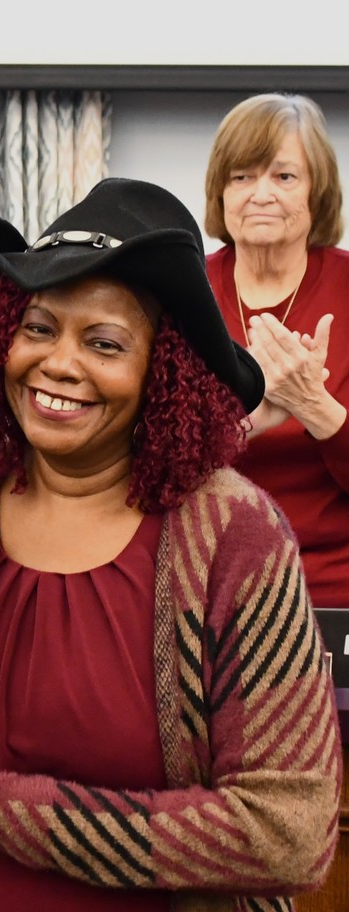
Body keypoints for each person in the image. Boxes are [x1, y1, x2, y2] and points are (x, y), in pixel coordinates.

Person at [0, 179, 340, 912]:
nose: (60, 363)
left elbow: (288, 830)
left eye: (105, 342)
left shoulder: (234, 538)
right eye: (37, 327)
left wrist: (4, 814)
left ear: (166, 371)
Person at [203, 92, 349, 607]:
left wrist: (316, 407)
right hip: (209, 585)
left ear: (318, 192)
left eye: (284, 177)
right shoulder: (181, 295)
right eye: (241, 177)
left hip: (332, 592)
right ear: (220, 192)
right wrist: (249, 423)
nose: (260, 193)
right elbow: (142, 469)